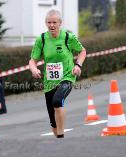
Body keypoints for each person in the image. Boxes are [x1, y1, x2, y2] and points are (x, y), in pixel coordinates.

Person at [29, 9, 86, 138]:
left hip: (67, 77)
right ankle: (58, 137)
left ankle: (61, 137)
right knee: (53, 123)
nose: (52, 25)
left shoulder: (68, 37)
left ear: (60, 23)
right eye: (49, 22)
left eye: (54, 22)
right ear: (46, 23)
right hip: (49, 82)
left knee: (57, 100)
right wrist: (34, 69)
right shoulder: (41, 40)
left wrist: (78, 65)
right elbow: (32, 60)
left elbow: (82, 51)